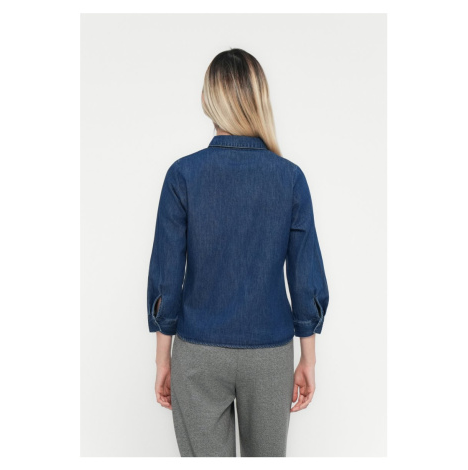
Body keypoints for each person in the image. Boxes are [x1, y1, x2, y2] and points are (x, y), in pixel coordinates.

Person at [147, 48, 330, 457]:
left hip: (198, 353)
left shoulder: (182, 175)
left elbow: (166, 278)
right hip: (270, 354)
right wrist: (308, 358)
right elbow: (305, 277)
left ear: (208, 99)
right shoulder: (290, 178)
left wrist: (163, 360)